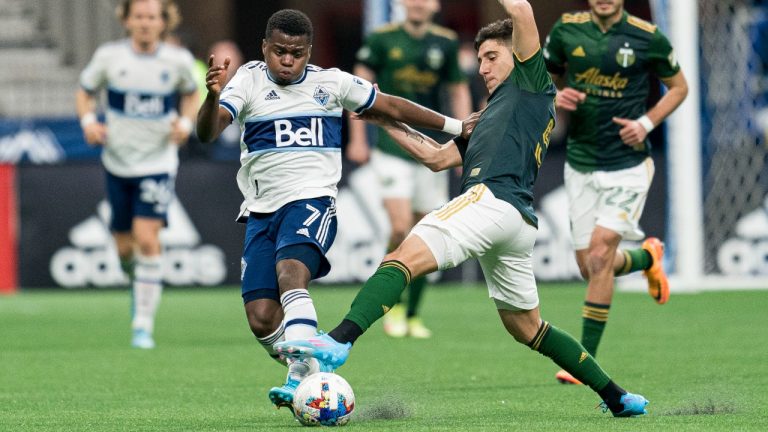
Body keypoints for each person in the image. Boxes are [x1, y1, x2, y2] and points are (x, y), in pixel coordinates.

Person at [276, 0, 649, 418]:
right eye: (481, 59)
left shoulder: (531, 82)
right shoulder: (491, 114)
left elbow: (522, 9)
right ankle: (618, 396)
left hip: (490, 201)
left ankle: (339, 341)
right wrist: (382, 121)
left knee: (401, 258)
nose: (483, 67)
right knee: (528, 328)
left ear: (519, 55)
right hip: (516, 222)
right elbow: (435, 157)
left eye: (493, 57)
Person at [195, 9, 469, 413]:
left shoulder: (332, 83)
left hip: (312, 201)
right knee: (260, 318)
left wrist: (455, 126)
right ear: (264, 48)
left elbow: (391, 105)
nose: (288, 61)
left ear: (309, 52)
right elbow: (207, 131)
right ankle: (307, 375)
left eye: (298, 53)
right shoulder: (248, 79)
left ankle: (300, 374)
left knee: (291, 272)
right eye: (280, 52)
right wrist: (213, 95)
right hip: (260, 211)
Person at [542, 0, 688, 384]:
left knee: (602, 250)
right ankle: (647, 258)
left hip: (629, 165)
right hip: (580, 162)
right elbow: (544, 79)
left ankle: (583, 360)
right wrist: (556, 95)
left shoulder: (647, 37)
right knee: (590, 266)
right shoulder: (566, 30)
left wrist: (647, 121)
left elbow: (679, 87)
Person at [75, 0, 199, 349]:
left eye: (152, 17)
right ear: (127, 21)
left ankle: (142, 324)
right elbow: (84, 92)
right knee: (125, 249)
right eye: (139, 16)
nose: (145, 22)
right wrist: (89, 123)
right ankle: (138, 281)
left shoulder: (177, 61)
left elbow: (192, 95)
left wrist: (186, 124)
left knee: (147, 239)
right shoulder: (109, 57)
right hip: (117, 162)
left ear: (163, 22)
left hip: (157, 164)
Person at [346, 0, 472, 339]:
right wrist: (357, 138)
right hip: (391, 147)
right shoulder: (382, 39)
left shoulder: (444, 42)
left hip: (432, 149)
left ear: (435, 5)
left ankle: (413, 313)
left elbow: (457, 90)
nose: (417, 3)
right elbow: (359, 86)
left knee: (424, 231)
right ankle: (393, 304)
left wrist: (465, 137)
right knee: (400, 226)